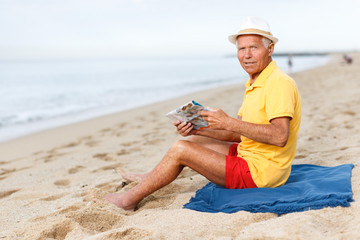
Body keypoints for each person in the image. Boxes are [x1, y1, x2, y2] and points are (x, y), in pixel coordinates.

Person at [103, 16, 302, 211]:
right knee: (190, 141)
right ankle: (148, 178)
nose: (246, 55)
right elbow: (239, 135)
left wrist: (228, 122)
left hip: (262, 173)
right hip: (249, 155)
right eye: (242, 48)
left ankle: (128, 200)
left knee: (181, 150)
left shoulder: (278, 83)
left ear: (270, 49)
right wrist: (197, 130)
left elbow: (279, 136)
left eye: (254, 47)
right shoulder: (256, 82)